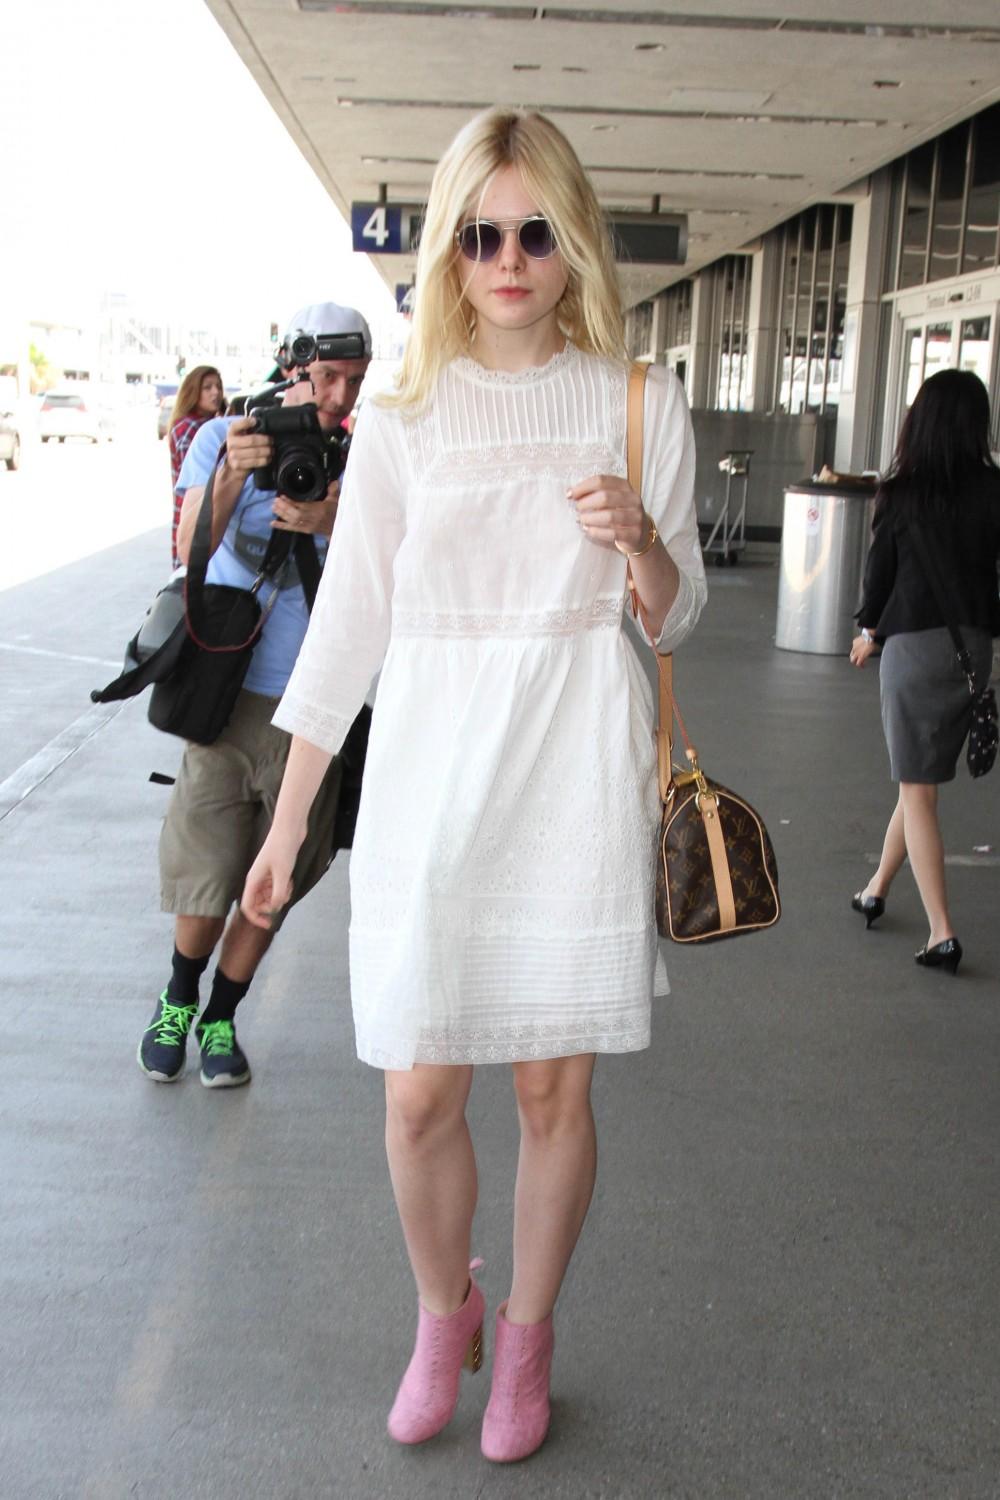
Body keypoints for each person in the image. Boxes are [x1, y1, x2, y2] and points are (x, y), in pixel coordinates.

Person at [241, 110, 706, 1460]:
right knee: (417, 1096)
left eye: (536, 232)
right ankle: (444, 1313)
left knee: (552, 1096)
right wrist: (287, 820)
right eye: (480, 234)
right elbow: (348, 632)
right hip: (431, 783)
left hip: (571, 774)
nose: (509, 260)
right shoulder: (402, 417)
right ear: (447, 249)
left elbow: (673, 619)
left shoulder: (637, 402)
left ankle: (529, 1338)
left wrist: (640, 541)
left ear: (575, 243)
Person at [137, 302, 372, 1088]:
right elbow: (188, 548)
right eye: (328, 376)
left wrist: (333, 517)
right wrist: (235, 474)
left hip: (318, 708)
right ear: (294, 365)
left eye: (355, 380)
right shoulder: (223, 436)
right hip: (228, 694)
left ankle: (221, 1016)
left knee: (273, 886)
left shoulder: (365, 456)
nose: (340, 396)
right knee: (207, 869)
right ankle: (178, 998)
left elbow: (393, 571)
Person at [850, 368, 1000, 974]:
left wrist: (868, 632)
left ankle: (942, 932)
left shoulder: (902, 492)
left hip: (913, 650)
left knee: (918, 788)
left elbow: (879, 576)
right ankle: (877, 888)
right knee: (916, 783)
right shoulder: (994, 489)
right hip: (972, 652)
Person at [168, 366, 226, 567]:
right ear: (193, 392)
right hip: (197, 517)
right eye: (207, 387)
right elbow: (199, 482)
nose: (215, 392)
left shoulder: (211, 424)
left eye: (218, 386)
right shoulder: (192, 428)